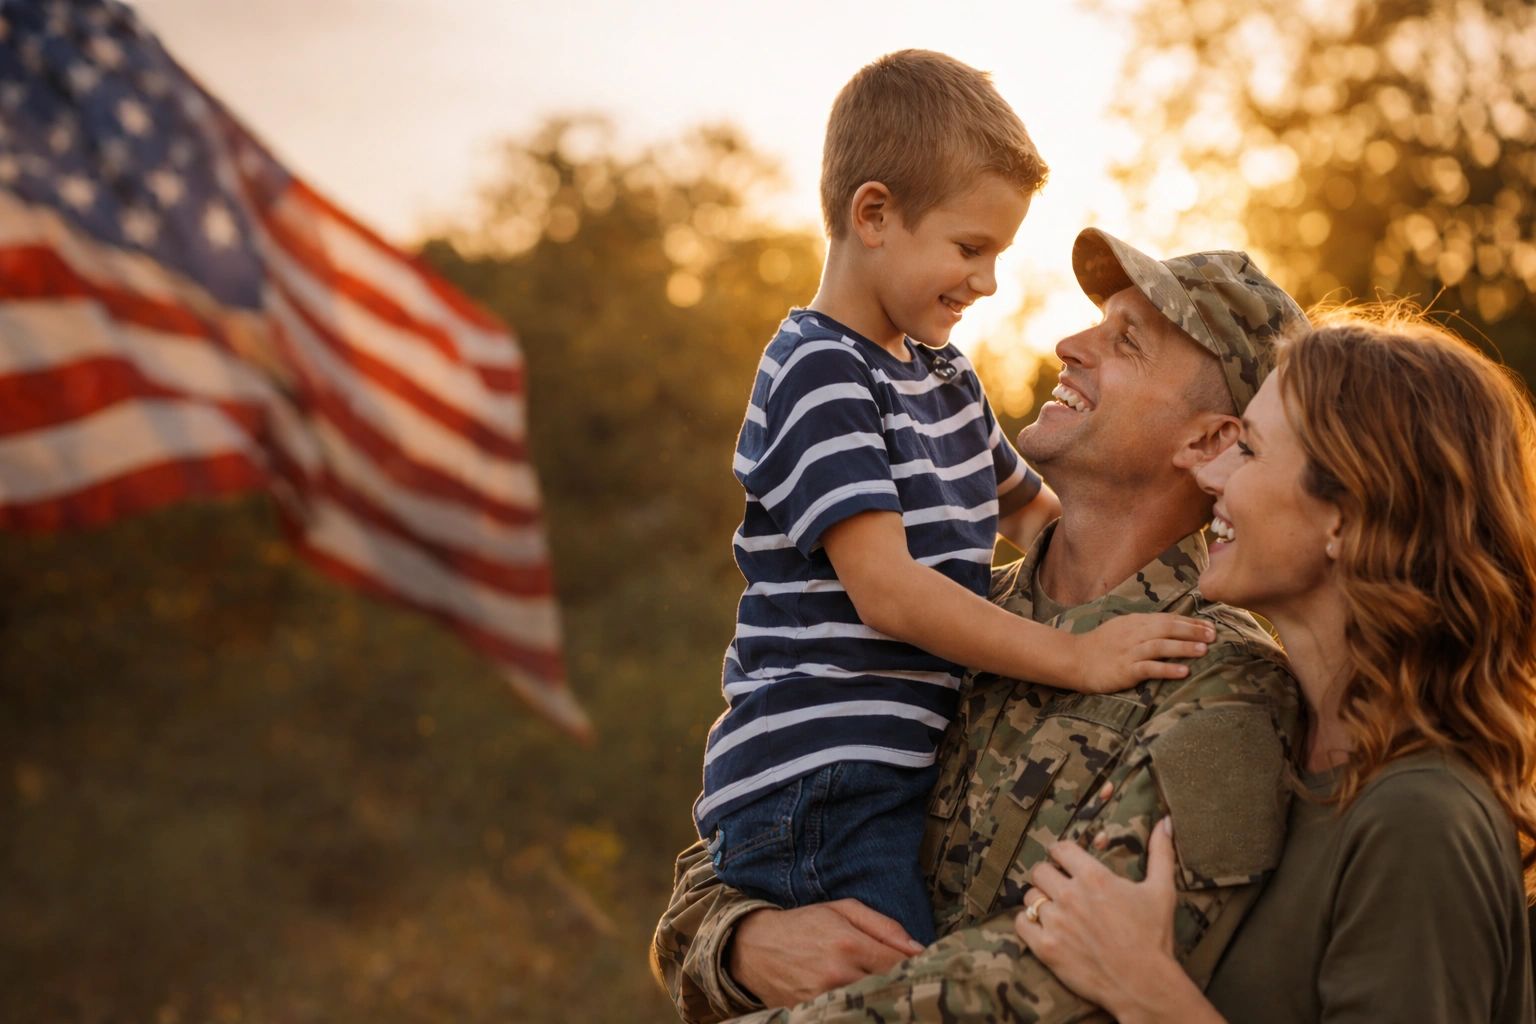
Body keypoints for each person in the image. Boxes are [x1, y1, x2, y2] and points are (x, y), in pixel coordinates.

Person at [654, 228, 1309, 1023]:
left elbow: (1059, 980)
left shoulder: (1223, 678)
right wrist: (744, 942)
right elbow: (717, 869)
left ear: (1207, 440)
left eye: (1125, 342)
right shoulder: (949, 611)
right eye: (1093, 322)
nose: (1069, 344)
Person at [696, 51, 1211, 949]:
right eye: (971, 249)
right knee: (885, 980)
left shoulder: (942, 376)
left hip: (890, 778)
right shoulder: (820, 371)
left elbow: (1034, 514)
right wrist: (1078, 656)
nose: (987, 283)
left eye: (998, 254)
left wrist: (1164, 575)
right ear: (875, 215)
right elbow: (887, 592)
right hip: (819, 785)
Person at [1013, 310, 1536, 1023]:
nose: (1208, 469)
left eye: (1250, 452)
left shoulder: (1421, 820)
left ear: (1346, 517)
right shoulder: (1264, 745)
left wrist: (1147, 993)